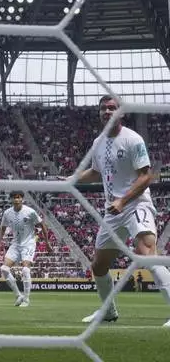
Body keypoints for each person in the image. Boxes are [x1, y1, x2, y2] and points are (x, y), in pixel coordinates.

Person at [71, 95, 170, 326]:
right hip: (113, 211)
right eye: (104, 108)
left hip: (135, 204)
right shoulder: (98, 143)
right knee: (99, 266)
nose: (107, 111)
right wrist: (72, 179)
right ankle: (108, 312)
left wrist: (123, 201)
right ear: (99, 113)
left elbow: (146, 176)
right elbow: (95, 172)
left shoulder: (133, 139)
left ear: (121, 113)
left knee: (148, 254)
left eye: (112, 108)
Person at [0, 192, 44, 308]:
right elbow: (2, 228)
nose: (17, 199)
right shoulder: (7, 213)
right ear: (11, 199)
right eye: (14, 198)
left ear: (22, 199)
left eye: (19, 197)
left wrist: (47, 243)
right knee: (4, 269)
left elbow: (42, 225)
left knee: (25, 270)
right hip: (15, 244)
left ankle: (26, 299)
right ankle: (18, 296)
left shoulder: (30, 212)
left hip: (28, 244)